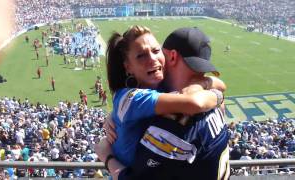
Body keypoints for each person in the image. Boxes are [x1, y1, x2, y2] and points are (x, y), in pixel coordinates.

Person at [96, 27, 229, 180]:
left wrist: (201, 84)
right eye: (141, 56)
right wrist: (106, 156)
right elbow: (195, 103)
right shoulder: (132, 98)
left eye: (156, 51)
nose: (152, 59)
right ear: (128, 66)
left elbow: (220, 84)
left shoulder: (160, 87)